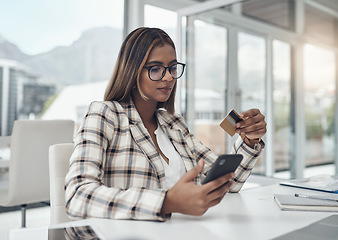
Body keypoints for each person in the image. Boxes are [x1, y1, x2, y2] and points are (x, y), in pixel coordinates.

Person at [65, 27, 267, 221]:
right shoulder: (105, 115)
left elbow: (227, 183)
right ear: (132, 71)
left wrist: (250, 141)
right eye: (156, 69)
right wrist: (166, 202)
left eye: (172, 68)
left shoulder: (174, 124)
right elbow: (78, 196)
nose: (169, 77)